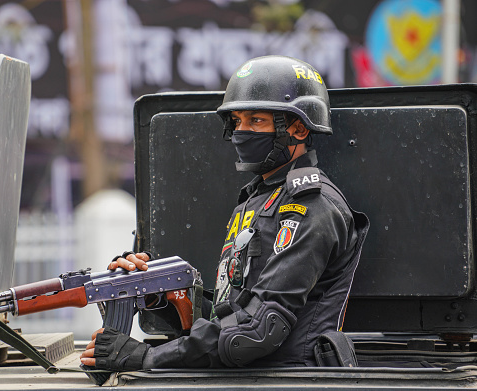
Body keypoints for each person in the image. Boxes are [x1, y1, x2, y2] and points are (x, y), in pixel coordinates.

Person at [80, 55, 369, 370]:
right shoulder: (257, 199)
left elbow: (258, 330)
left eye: (256, 120)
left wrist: (149, 358)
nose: (242, 131)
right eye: (237, 121)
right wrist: (159, 295)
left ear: (298, 128)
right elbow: (227, 315)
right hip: (252, 378)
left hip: (293, 380)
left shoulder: (311, 206)